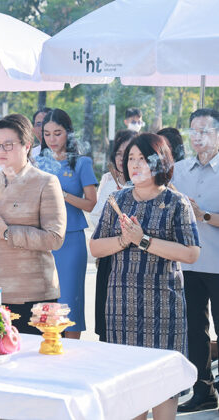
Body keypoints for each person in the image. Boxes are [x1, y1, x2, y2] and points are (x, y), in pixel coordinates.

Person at [90, 133, 200, 420]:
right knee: (128, 389)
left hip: (163, 308)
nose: (135, 164)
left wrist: (144, 240)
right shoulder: (117, 200)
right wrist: (124, 240)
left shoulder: (176, 202)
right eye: (131, 158)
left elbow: (191, 253)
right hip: (121, 306)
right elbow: (96, 247)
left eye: (143, 158)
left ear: (160, 161)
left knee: (164, 386)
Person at [0, 114, 66, 334]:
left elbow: (54, 238)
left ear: (27, 145)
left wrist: (8, 233)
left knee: (35, 353)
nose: (1, 151)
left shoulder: (45, 182)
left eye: (8, 145)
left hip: (33, 291)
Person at [173, 109, 219, 413]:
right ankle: (204, 390)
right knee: (194, 331)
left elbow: (203, 216)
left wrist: (203, 215)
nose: (197, 137)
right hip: (188, 264)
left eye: (204, 131)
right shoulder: (178, 170)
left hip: (217, 263)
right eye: (193, 130)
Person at [37, 108, 97, 339]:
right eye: (47, 134)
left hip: (71, 240)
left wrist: (62, 194)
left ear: (68, 134)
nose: (52, 139)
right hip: (43, 239)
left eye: (57, 133)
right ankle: (47, 349)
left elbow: (90, 203)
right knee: (45, 302)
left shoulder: (82, 163)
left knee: (70, 300)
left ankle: (73, 352)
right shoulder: (37, 163)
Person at [88, 129, 135, 342]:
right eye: (119, 153)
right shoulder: (109, 182)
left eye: (129, 154)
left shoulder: (146, 184)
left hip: (136, 260)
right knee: (107, 319)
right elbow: (95, 218)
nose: (122, 159)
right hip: (109, 254)